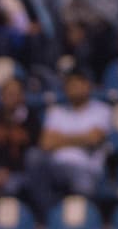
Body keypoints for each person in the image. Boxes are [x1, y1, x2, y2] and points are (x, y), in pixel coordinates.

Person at [30, 70, 112, 217]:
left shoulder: (101, 110)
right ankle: (47, 218)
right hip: (56, 165)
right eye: (70, 85)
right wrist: (81, 137)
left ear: (87, 86)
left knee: (83, 182)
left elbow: (93, 139)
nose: (73, 89)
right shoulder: (56, 111)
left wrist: (60, 139)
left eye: (77, 85)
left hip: (85, 167)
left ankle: (86, 218)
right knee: (34, 157)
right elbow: (46, 143)